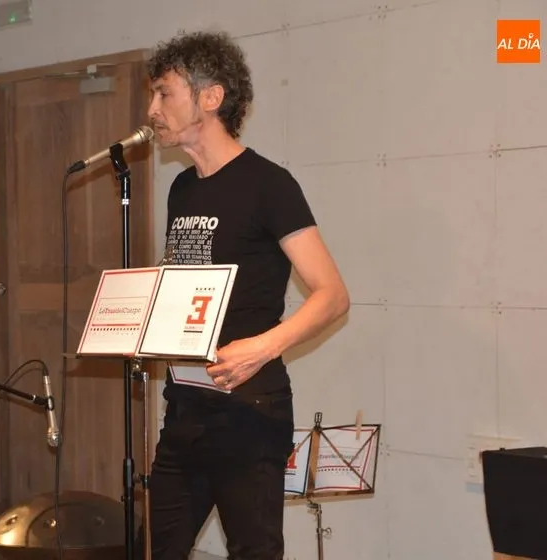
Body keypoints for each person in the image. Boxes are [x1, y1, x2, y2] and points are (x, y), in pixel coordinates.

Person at [145, 31, 350, 559]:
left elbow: (332, 295)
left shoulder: (269, 185)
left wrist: (262, 347)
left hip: (249, 412)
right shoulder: (181, 188)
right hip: (184, 409)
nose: (152, 109)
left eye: (164, 93)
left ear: (211, 97)